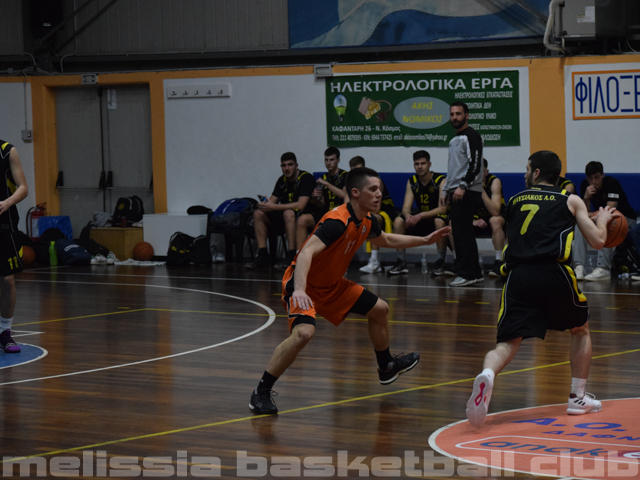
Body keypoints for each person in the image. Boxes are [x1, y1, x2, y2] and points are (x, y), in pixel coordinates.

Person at [249, 167, 451, 414]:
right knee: (304, 334)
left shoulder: (367, 221)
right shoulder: (337, 221)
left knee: (380, 309)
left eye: (380, 189)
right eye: (373, 189)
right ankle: (260, 392)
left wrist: (425, 240)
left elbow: (386, 239)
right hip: (304, 284)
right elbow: (305, 253)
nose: (379, 194)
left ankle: (386, 367)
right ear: (355, 193)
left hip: (332, 285)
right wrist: (299, 290)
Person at [466, 150, 611, 428]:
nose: (524, 174)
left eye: (526, 169)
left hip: (518, 275)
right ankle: (577, 398)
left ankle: (487, 374)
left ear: (536, 173)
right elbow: (597, 242)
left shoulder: (515, 200)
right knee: (580, 329)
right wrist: (602, 220)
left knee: (507, 342)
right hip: (554, 272)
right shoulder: (570, 199)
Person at [440, 101, 485, 287]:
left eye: (458, 114)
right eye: (452, 114)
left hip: (466, 191)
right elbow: (453, 168)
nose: (455, 117)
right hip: (455, 190)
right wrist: (445, 189)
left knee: (462, 234)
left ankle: (467, 274)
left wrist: (463, 185)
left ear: (467, 115)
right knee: (461, 232)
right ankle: (474, 273)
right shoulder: (454, 139)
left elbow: (475, 164)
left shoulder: (472, 136)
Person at [247, 152, 316, 270]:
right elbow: (272, 201)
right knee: (258, 213)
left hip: (300, 216)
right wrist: (264, 205)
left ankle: (291, 255)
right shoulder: (282, 180)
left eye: (290, 165)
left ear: (296, 166)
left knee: (288, 213)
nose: (287, 168)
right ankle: (263, 254)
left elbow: (301, 205)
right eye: (284, 165)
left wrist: (273, 207)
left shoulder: (305, 178)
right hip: (284, 218)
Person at [572, 161, 637, 281]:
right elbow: (584, 213)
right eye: (590, 178)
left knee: (607, 222)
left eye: (597, 177)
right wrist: (586, 198)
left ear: (602, 175)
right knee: (581, 224)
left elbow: (609, 211)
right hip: (601, 216)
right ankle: (579, 267)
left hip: (626, 219)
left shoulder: (612, 183)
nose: (593, 182)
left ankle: (604, 268)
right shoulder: (585, 185)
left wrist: (589, 216)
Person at [390, 150, 447, 276]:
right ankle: (401, 262)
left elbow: (442, 209)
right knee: (399, 221)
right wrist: (408, 216)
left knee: (439, 221)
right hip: (420, 218)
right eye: (417, 164)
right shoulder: (412, 181)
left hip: (435, 216)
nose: (420, 167)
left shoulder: (440, 180)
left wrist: (420, 215)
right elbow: (406, 207)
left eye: (423, 163)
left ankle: (440, 262)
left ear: (429, 164)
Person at [0, 140, 29, 353]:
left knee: (7, 280)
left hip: (4, 223)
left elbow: (23, 188)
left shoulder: (7, 151)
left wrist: (7, 202)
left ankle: (5, 331)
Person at [350, 157, 400, 274]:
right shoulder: (352, 185)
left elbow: (376, 209)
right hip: (366, 212)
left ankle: (374, 261)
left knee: (372, 220)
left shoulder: (375, 182)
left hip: (385, 212)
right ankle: (339, 260)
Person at [295, 147, 347, 254]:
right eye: (326, 160)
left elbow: (344, 195)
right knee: (302, 219)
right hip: (325, 214)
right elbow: (321, 205)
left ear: (338, 160)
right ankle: (298, 255)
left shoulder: (345, 175)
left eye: (332, 160)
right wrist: (315, 198)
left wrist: (327, 184)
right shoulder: (323, 178)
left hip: (340, 215)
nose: (328, 163)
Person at [473, 158, 506, 278]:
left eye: (480, 171)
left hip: (497, 216)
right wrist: (473, 221)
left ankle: (499, 261)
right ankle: (461, 262)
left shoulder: (494, 182)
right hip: (477, 218)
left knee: (495, 220)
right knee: (453, 223)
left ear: (486, 172)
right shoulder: (465, 184)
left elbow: (495, 211)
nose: (477, 175)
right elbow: (461, 211)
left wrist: (481, 190)